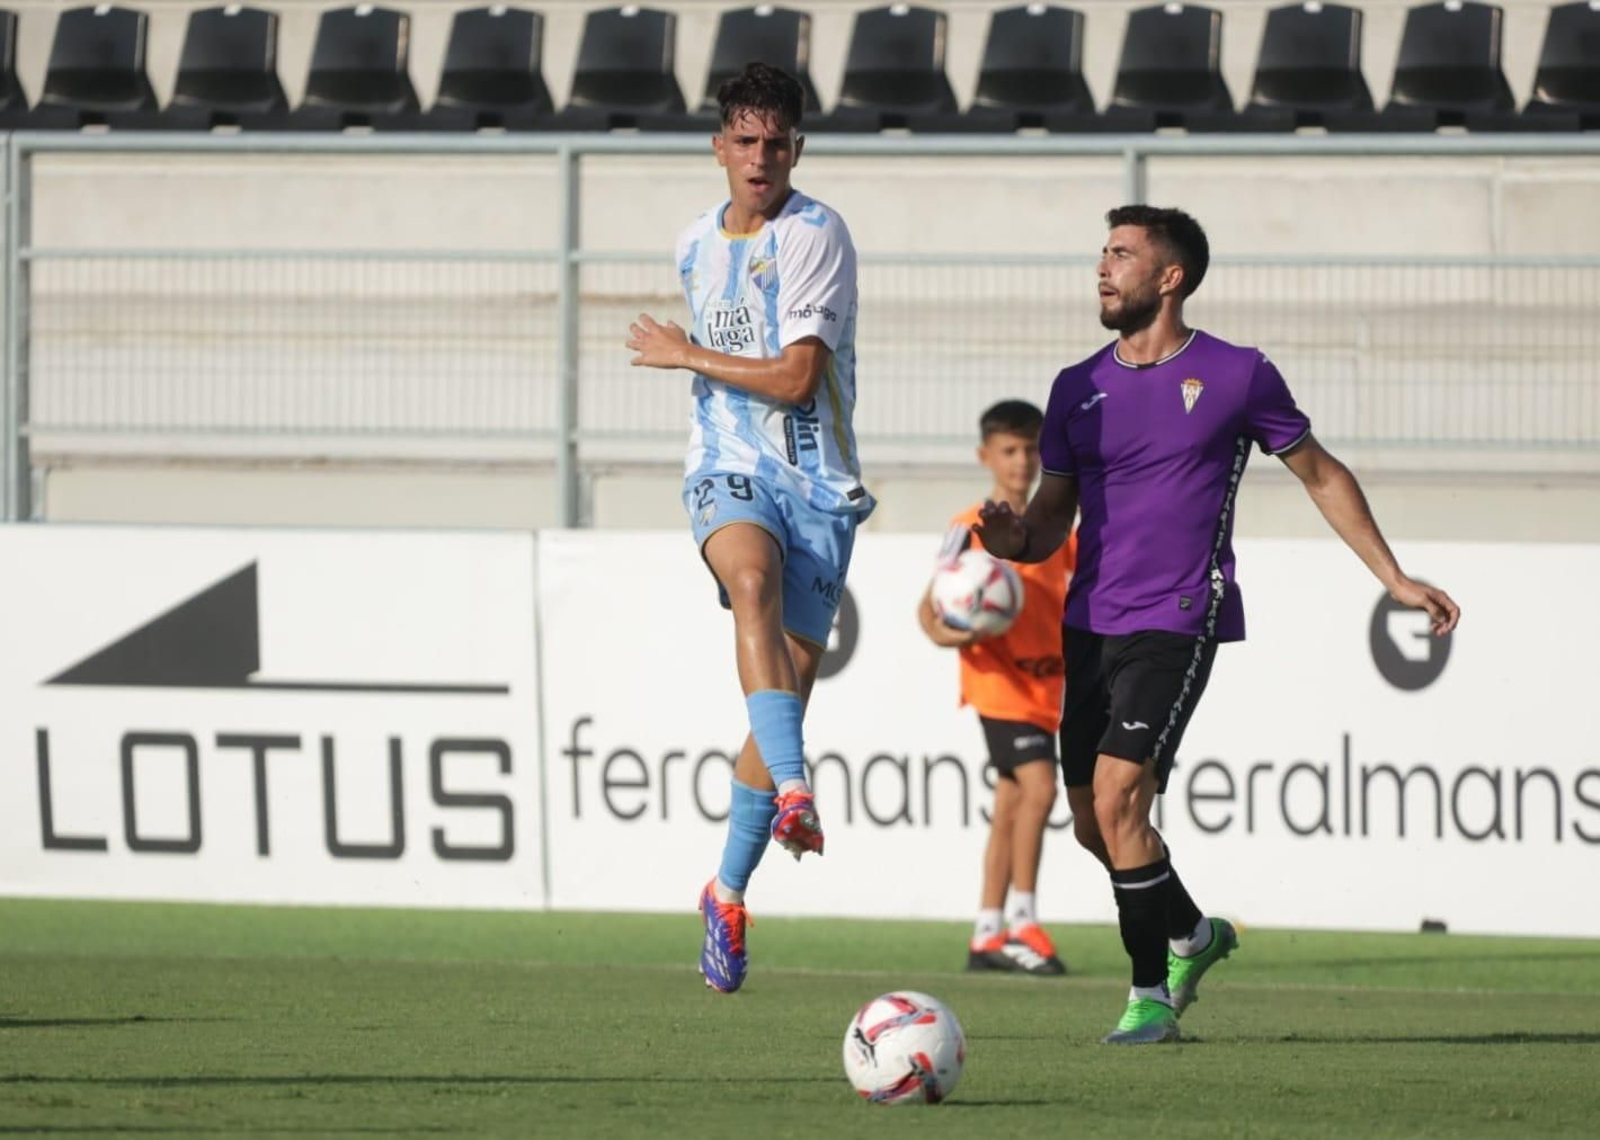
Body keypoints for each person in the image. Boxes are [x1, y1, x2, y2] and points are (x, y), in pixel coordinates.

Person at [975, 205, 1460, 1044]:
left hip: (1179, 616)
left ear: (1171, 277)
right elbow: (1050, 522)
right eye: (1102, 253)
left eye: (1122, 255)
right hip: (1090, 624)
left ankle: (1149, 999)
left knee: (1124, 796)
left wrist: (1393, 578)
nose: (1102, 268)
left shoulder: (1237, 374)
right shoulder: (1073, 387)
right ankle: (1194, 936)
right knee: (1095, 824)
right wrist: (1013, 538)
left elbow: (1321, 472)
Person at [624, 62, 872, 995]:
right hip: (726, 465)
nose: (760, 156)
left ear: (796, 148)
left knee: (780, 711)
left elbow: (800, 378)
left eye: (777, 141)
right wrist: (695, 368)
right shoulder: (696, 239)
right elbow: (737, 384)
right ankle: (800, 791)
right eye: (744, 138)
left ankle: (726, 891)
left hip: (820, 487)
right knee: (751, 588)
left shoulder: (816, 235)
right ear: (719, 146)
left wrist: (684, 352)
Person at [918, 399, 1076, 977]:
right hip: (997, 685)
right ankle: (1025, 922)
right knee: (1039, 789)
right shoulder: (971, 528)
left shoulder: (1056, 528)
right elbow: (930, 607)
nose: (1022, 461)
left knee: (1012, 804)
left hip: (1044, 691)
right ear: (987, 456)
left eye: (1032, 449)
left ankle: (986, 932)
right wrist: (950, 634)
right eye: (1010, 450)